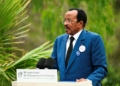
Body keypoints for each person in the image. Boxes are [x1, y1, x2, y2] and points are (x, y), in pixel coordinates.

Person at [51, 8, 108, 86]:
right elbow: (53, 66)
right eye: (64, 20)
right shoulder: (59, 40)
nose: (65, 24)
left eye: (69, 21)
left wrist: (88, 81)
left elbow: (101, 68)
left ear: (80, 23)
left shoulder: (94, 39)